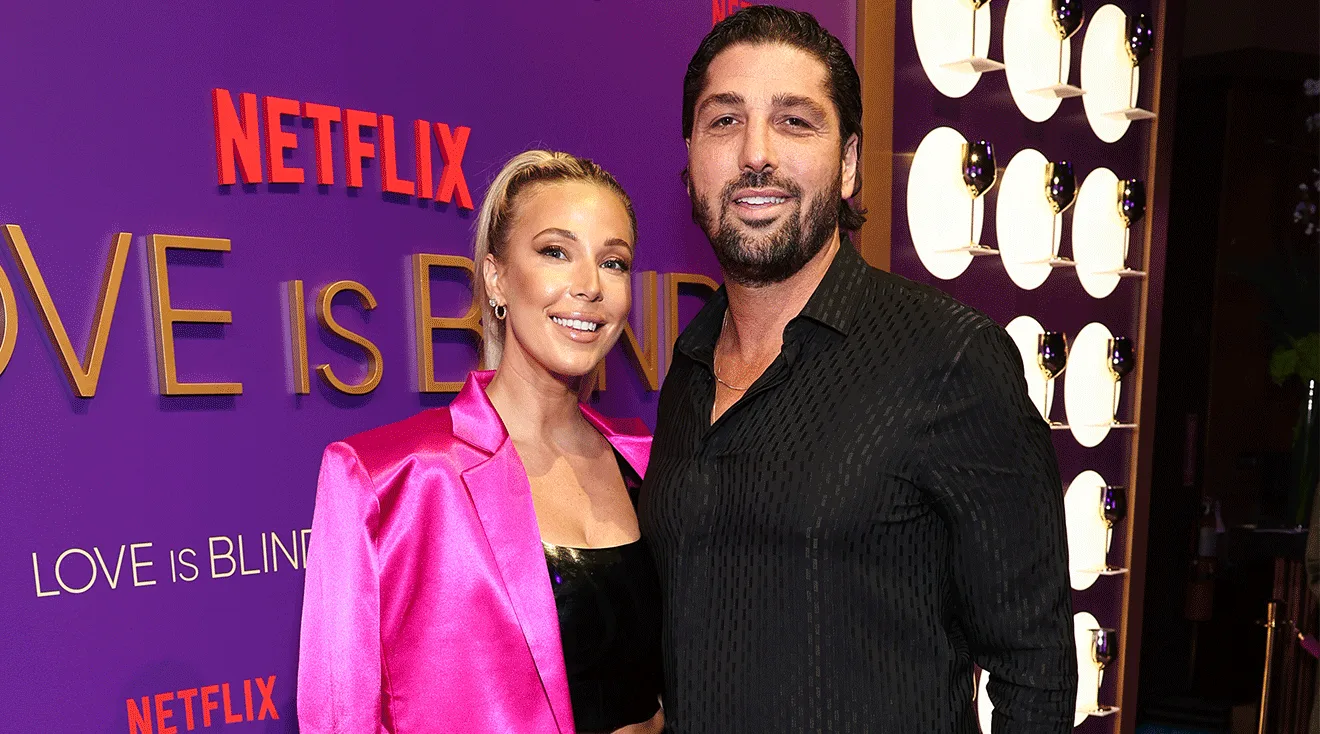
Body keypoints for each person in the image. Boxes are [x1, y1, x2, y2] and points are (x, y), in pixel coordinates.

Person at [639, 7, 1077, 732]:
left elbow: (1036, 670)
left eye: (794, 122)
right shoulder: (687, 368)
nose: (755, 153)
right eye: (724, 121)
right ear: (691, 160)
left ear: (847, 164)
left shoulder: (951, 359)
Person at [298, 150, 664, 734]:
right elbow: (341, 718)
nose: (590, 286)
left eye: (614, 262)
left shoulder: (652, 460)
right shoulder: (388, 482)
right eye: (555, 252)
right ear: (495, 276)